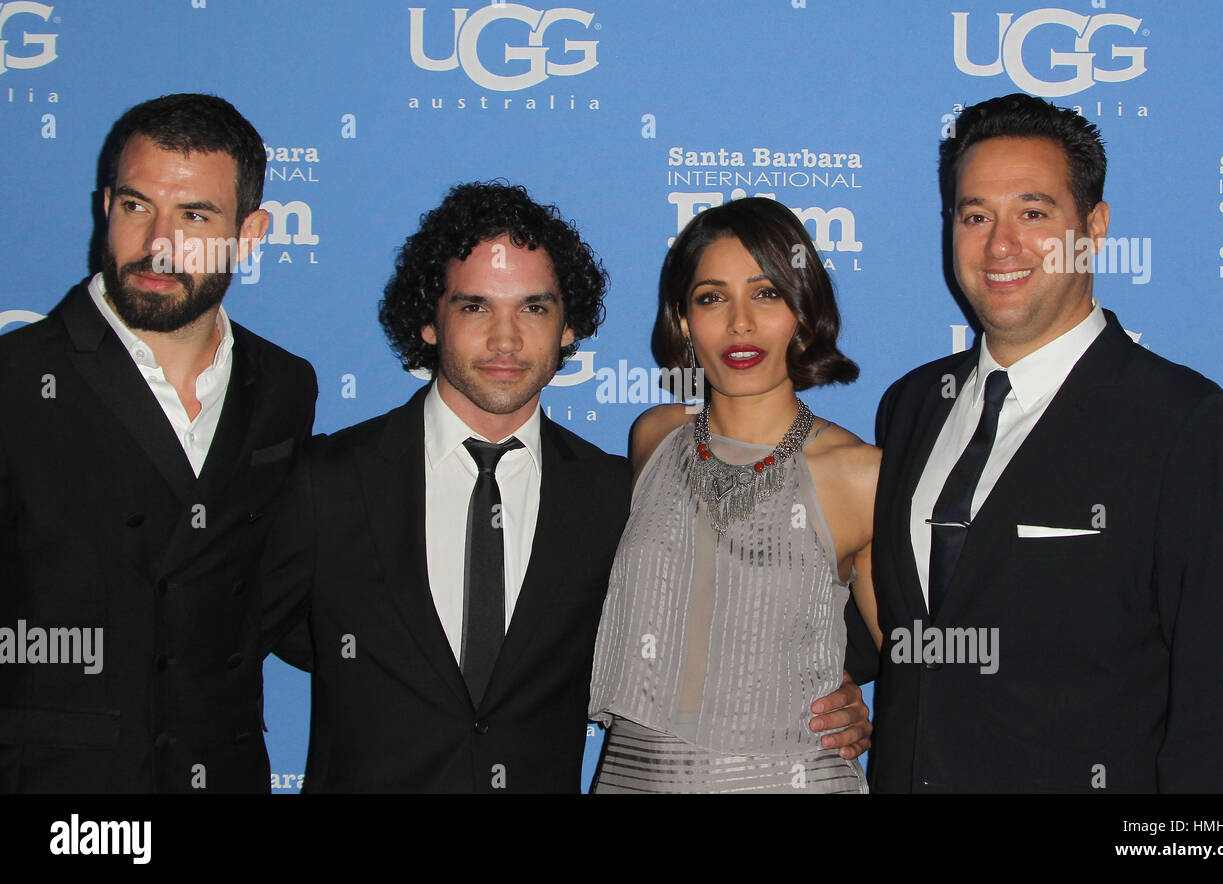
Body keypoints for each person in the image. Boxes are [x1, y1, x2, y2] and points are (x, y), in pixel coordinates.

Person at [273, 182, 869, 792]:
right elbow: (251, 637)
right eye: (475, 306)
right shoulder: (330, 479)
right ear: (429, 320)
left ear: (568, 326)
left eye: (533, 307)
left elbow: (741, 605)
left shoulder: (612, 490)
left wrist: (834, 689)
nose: (505, 339)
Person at [867, 93, 1223, 792]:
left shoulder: (1188, 427)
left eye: (1033, 213)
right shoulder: (912, 405)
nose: (1000, 245)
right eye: (975, 216)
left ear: (1092, 229)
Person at [0, 93, 317, 792]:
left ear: (252, 231)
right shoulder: (16, 381)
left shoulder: (285, 388)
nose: (157, 245)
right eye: (136, 207)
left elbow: (275, 593)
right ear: (104, 207)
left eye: (195, 216)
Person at [588, 197, 881, 793]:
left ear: (804, 310)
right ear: (683, 320)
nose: (740, 323)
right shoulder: (654, 438)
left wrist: (853, 700)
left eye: (767, 293)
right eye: (712, 297)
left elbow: (921, 664)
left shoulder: (859, 474)